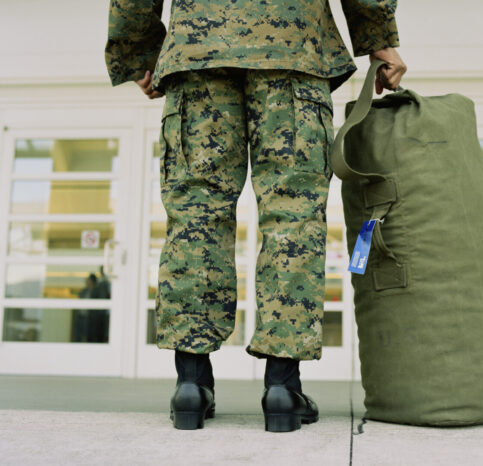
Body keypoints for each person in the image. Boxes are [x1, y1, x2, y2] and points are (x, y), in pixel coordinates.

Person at [105, 0, 406, 432]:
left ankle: (191, 384)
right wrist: (379, 38)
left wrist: (139, 53)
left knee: (196, 216)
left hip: (198, 49)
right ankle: (282, 387)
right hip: (293, 46)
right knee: (293, 218)